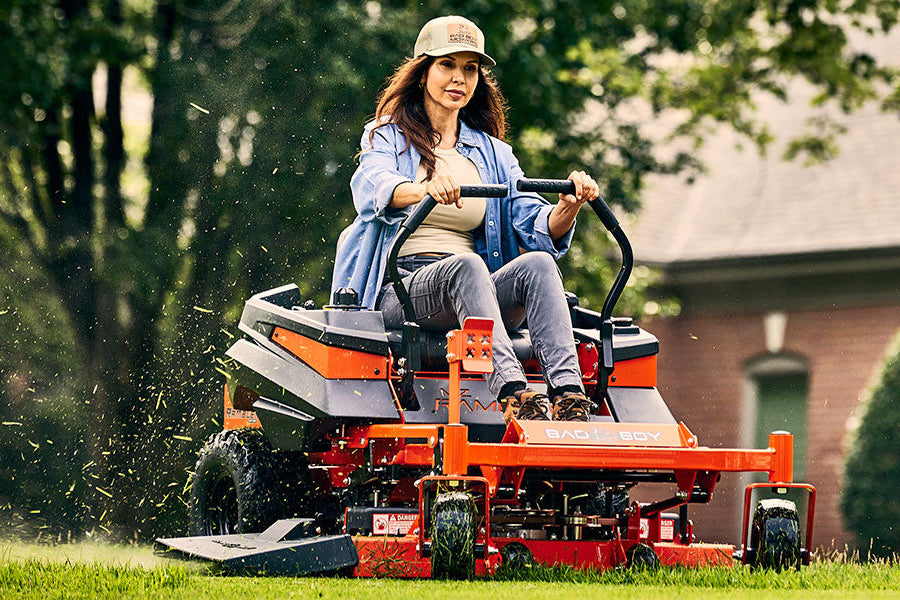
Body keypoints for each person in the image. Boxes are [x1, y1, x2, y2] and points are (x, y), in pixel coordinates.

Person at [332, 15, 601, 422]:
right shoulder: (385, 136)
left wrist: (568, 207)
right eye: (447, 64)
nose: (459, 77)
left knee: (539, 265)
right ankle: (514, 394)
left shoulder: (495, 154)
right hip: (401, 290)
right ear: (423, 73)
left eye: (470, 68)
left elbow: (533, 224)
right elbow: (374, 187)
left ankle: (569, 397)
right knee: (466, 266)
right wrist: (424, 189)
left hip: (476, 288)